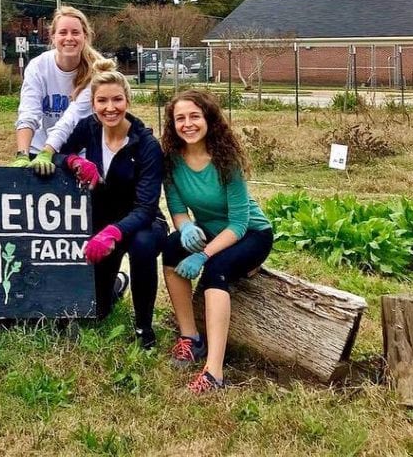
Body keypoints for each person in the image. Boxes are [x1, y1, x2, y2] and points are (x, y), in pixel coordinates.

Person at [40, 59, 167, 348]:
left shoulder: (146, 144)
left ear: (128, 100)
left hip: (140, 222)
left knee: (143, 246)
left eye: (117, 100)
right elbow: (60, 154)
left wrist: (113, 233)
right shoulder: (89, 127)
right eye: (102, 101)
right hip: (100, 219)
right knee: (97, 310)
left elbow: (147, 207)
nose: (110, 108)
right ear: (93, 104)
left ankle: (144, 328)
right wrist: (74, 161)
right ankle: (114, 287)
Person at [160, 90, 273, 394]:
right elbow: (178, 211)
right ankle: (190, 338)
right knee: (170, 248)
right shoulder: (171, 161)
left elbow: (239, 224)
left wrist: (204, 255)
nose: (188, 124)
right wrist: (184, 229)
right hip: (209, 231)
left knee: (215, 271)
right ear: (172, 124)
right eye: (180, 118)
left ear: (208, 118)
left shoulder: (226, 160)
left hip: (251, 234)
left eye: (194, 116)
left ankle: (214, 373)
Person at [11, 6, 102, 173]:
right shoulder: (38, 66)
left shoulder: (96, 71)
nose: (69, 38)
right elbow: (28, 112)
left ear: (85, 36)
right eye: (63, 32)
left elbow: (71, 117)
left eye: (75, 32)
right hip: (37, 152)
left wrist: (48, 152)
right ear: (52, 37)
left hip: (80, 155)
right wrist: (22, 154)